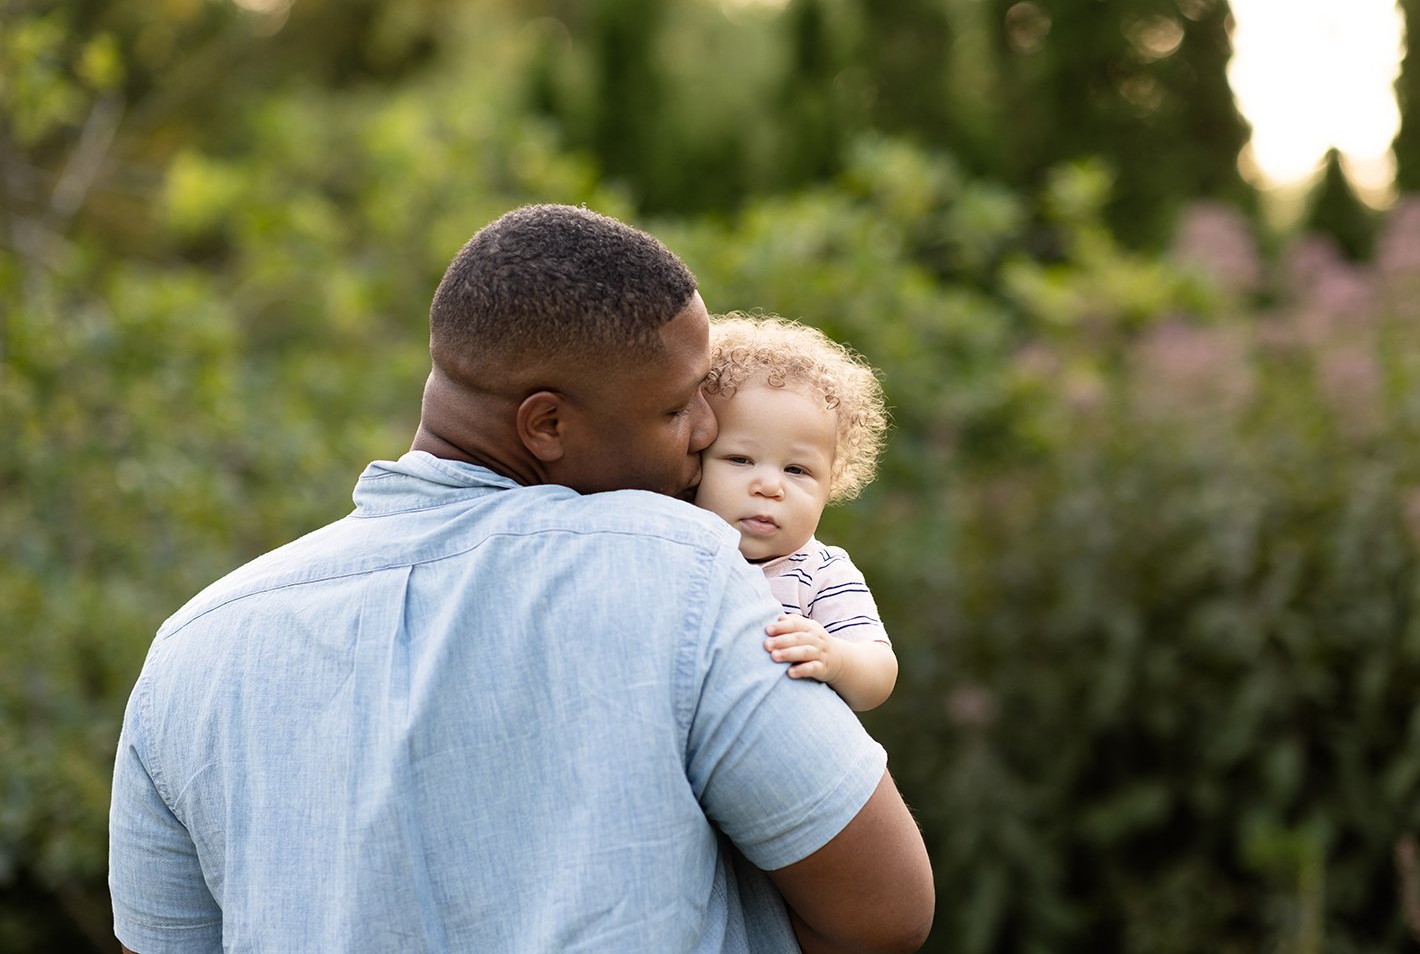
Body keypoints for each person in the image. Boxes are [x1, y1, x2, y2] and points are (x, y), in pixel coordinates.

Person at [108, 204, 933, 954]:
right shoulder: (677, 568)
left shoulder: (189, 650)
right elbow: (888, 912)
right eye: (678, 407)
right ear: (546, 424)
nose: (711, 430)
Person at [694, 314, 897, 712]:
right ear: (695, 458)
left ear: (832, 484)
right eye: (740, 459)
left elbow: (879, 673)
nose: (770, 486)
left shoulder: (821, 573)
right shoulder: (680, 544)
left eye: (797, 470)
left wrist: (836, 658)